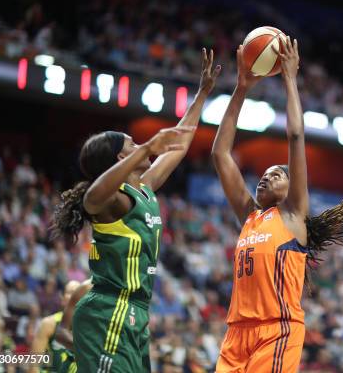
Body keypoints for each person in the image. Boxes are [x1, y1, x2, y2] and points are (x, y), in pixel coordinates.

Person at [50, 49, 220, 372]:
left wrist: (202, 94)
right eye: (131, 143)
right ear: (119, 159)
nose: (139, 145)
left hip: (135, 314)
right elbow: (91, 199)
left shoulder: (143, 188)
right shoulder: (111, 199)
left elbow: (179, 145)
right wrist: (147, 147)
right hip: (108, 312)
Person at [212, 37, 343, 372]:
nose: (265, 178)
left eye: (277, 175)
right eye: (263, 174)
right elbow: (220, 154)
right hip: (236, 335)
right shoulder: (250, 215)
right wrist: (242, 88)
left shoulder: (292, 215)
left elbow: (296, 137)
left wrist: (290, 78)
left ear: (293, 188)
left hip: (277, 330)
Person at [28, 280, 80, 373]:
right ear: (62, 298)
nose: (75, 296)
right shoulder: (49, 324)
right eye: (71, 292)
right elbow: (33, 366)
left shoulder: (88, 327)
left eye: (78, 293)